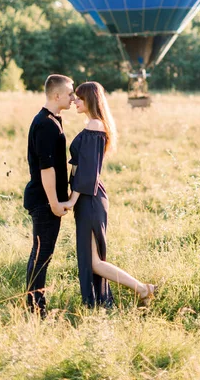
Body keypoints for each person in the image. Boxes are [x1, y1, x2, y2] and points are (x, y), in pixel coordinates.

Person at [61, 81, 156, 308]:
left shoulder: (95, 125)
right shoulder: (94, 124)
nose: (74, 101)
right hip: (89, 197)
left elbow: (88, 172)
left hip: (89, 198)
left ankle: (143, 289)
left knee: (93, 261)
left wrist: (72, 200)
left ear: (90, 100)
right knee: (92, 259)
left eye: (79, 98)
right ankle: (112, 300)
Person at [24, 73, 75, 316]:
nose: (73, 97)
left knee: (40, 252)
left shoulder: (53, 119)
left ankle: (33, 306)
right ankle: (36, 310)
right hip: (44, 201)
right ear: (57, 95)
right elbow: (46, 168)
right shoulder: (45, 124)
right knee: (42, 255)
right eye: (70, 93)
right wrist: (54, 202)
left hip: (46, 200)